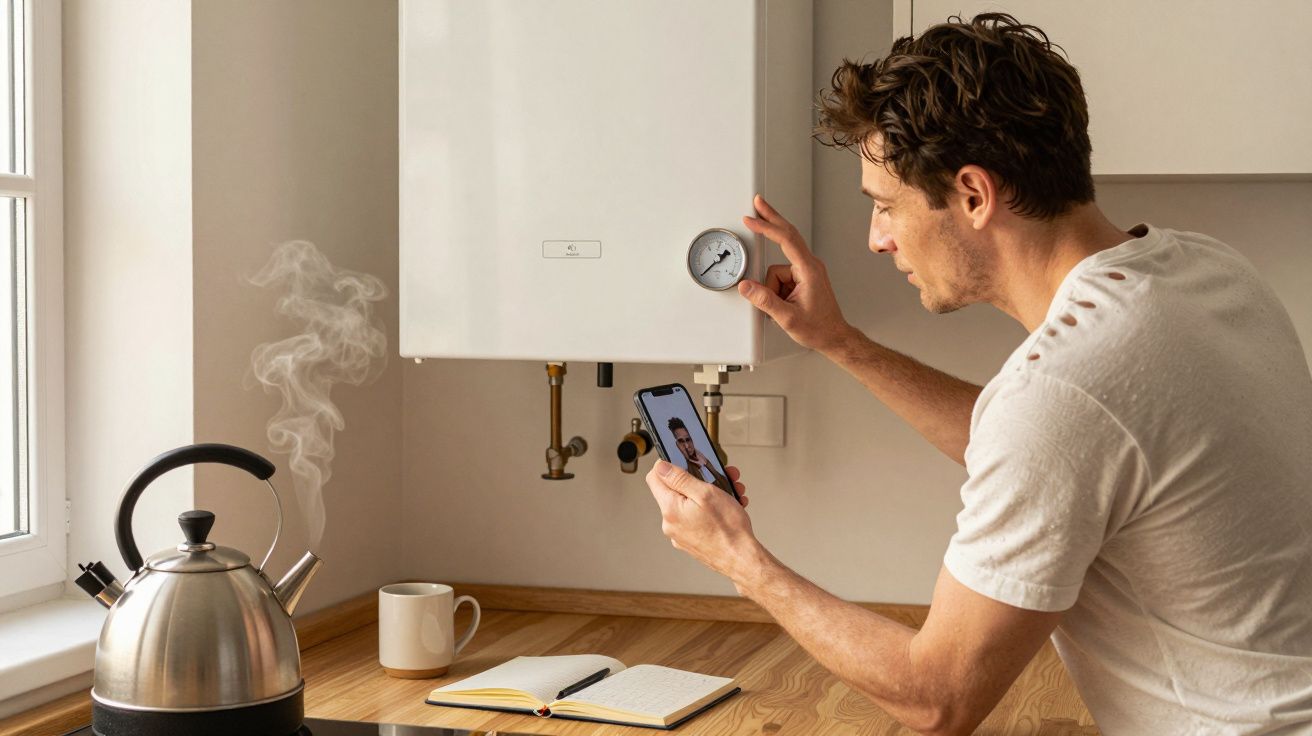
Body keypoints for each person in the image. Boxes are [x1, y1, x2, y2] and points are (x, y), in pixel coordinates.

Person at [644, 12, 1312, 735]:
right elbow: (1061, 453)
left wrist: (741, 560)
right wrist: (841, 343)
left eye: (886, 205)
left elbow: (937, 699)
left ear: (972, 194)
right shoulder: (1207, 271)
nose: (877, 239)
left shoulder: (1064, 391)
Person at [667, 417, 734, 496]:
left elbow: (728, 491)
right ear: (676, 445)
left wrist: (706, 464)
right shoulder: (683, 474)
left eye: (688, 439)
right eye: (681, 441)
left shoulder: (704, 461)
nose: (687, 445)